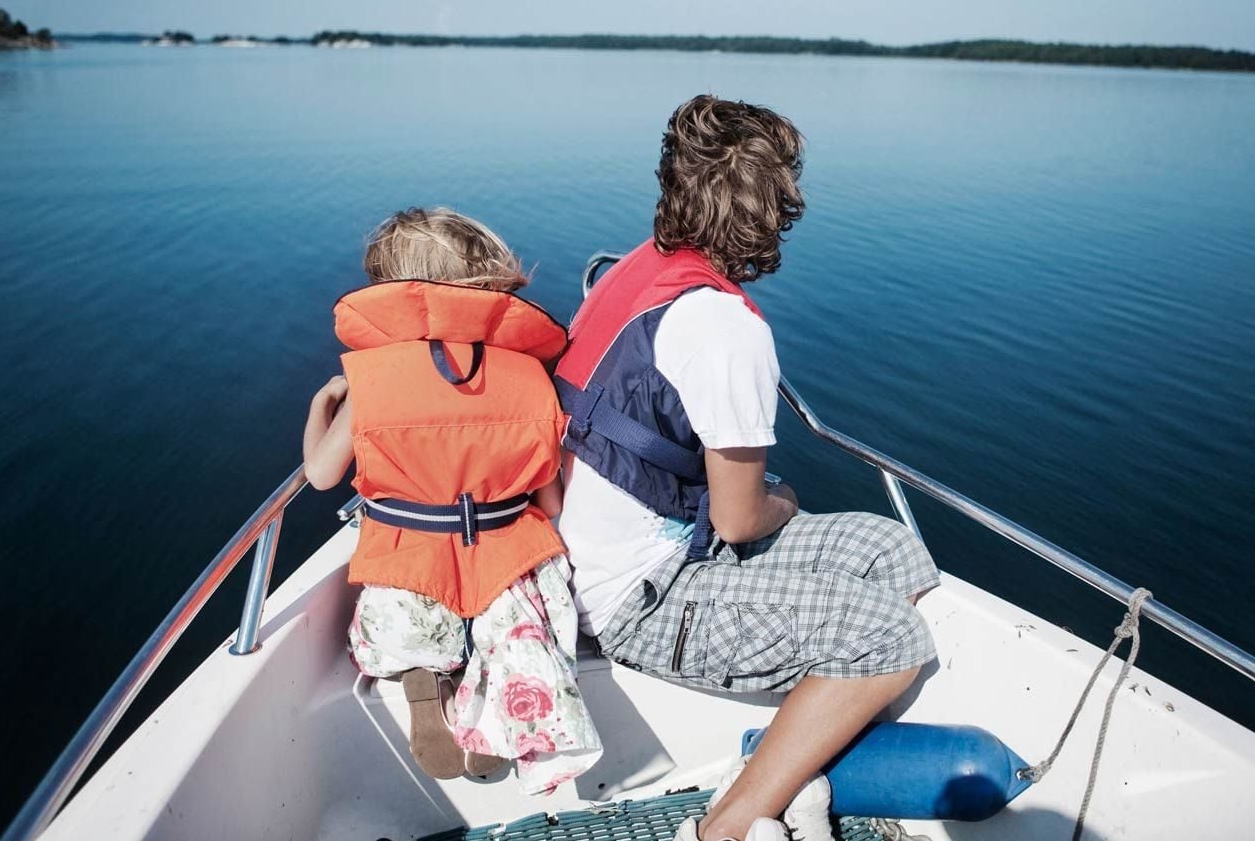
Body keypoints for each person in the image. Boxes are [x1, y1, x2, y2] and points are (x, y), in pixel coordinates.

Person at [555, 97, 939, 841]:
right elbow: (738, 520)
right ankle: (726, 826)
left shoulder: (638, 270)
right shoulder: (727, 331)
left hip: (602, 552)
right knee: (893, 636)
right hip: (631, 598)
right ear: (776, 203)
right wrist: (784, 503)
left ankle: (787, 757)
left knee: (892, 549)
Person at [303, 207, 602, 794]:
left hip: (408, 580)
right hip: (503, 569)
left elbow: (320, 474)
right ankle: (497, 713)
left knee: (415, 618)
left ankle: (423, 676)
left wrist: (324, 402)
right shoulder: (528, 375)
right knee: (517, 624)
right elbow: (551, 494)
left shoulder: (372, 378)